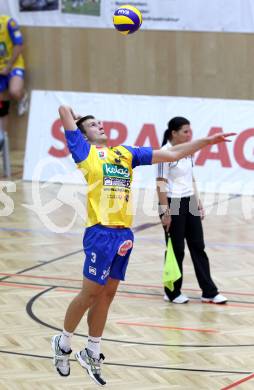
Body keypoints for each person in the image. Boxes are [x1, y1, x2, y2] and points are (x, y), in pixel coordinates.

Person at [51, 106, 234, 385]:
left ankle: (92, 350)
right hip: (100, 233)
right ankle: (63, 343)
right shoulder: (84, 152)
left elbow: (173, 153)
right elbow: (64, 110)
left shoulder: (125, 153)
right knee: (90, 293)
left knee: (107, 295)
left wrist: (207, 142)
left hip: (124, 235)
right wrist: (76, 120)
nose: (99, 125)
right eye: (93, 125)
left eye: (100, 122)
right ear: (83, 134)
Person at [156, 117, 228, 305]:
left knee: (198, 246)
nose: (190, 135)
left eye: (190, 131)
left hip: (189, 202)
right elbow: (160, 183)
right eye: (185, 131)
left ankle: (209, 292)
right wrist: (165, 211)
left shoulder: (188, 151)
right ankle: (171, 291)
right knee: (176, 249)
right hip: (173, 203)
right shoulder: (165, 153)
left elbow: (190, 177)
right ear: (174, 133)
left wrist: (198, 201)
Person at [0, 14, 28, 146]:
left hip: (14, 65)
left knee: (14, 91)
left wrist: (9, 65)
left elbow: (19, 45)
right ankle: (2, 139)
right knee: (2, 107)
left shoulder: (8, 23)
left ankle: (22, 96)